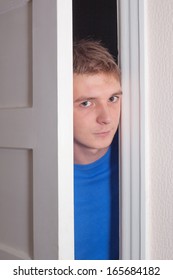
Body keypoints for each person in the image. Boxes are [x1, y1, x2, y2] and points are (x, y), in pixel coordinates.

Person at [73, 39, 122, 260]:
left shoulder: (140, 164)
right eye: (86, 103)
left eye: (113, 99)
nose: (107, 118)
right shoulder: (31, 177)